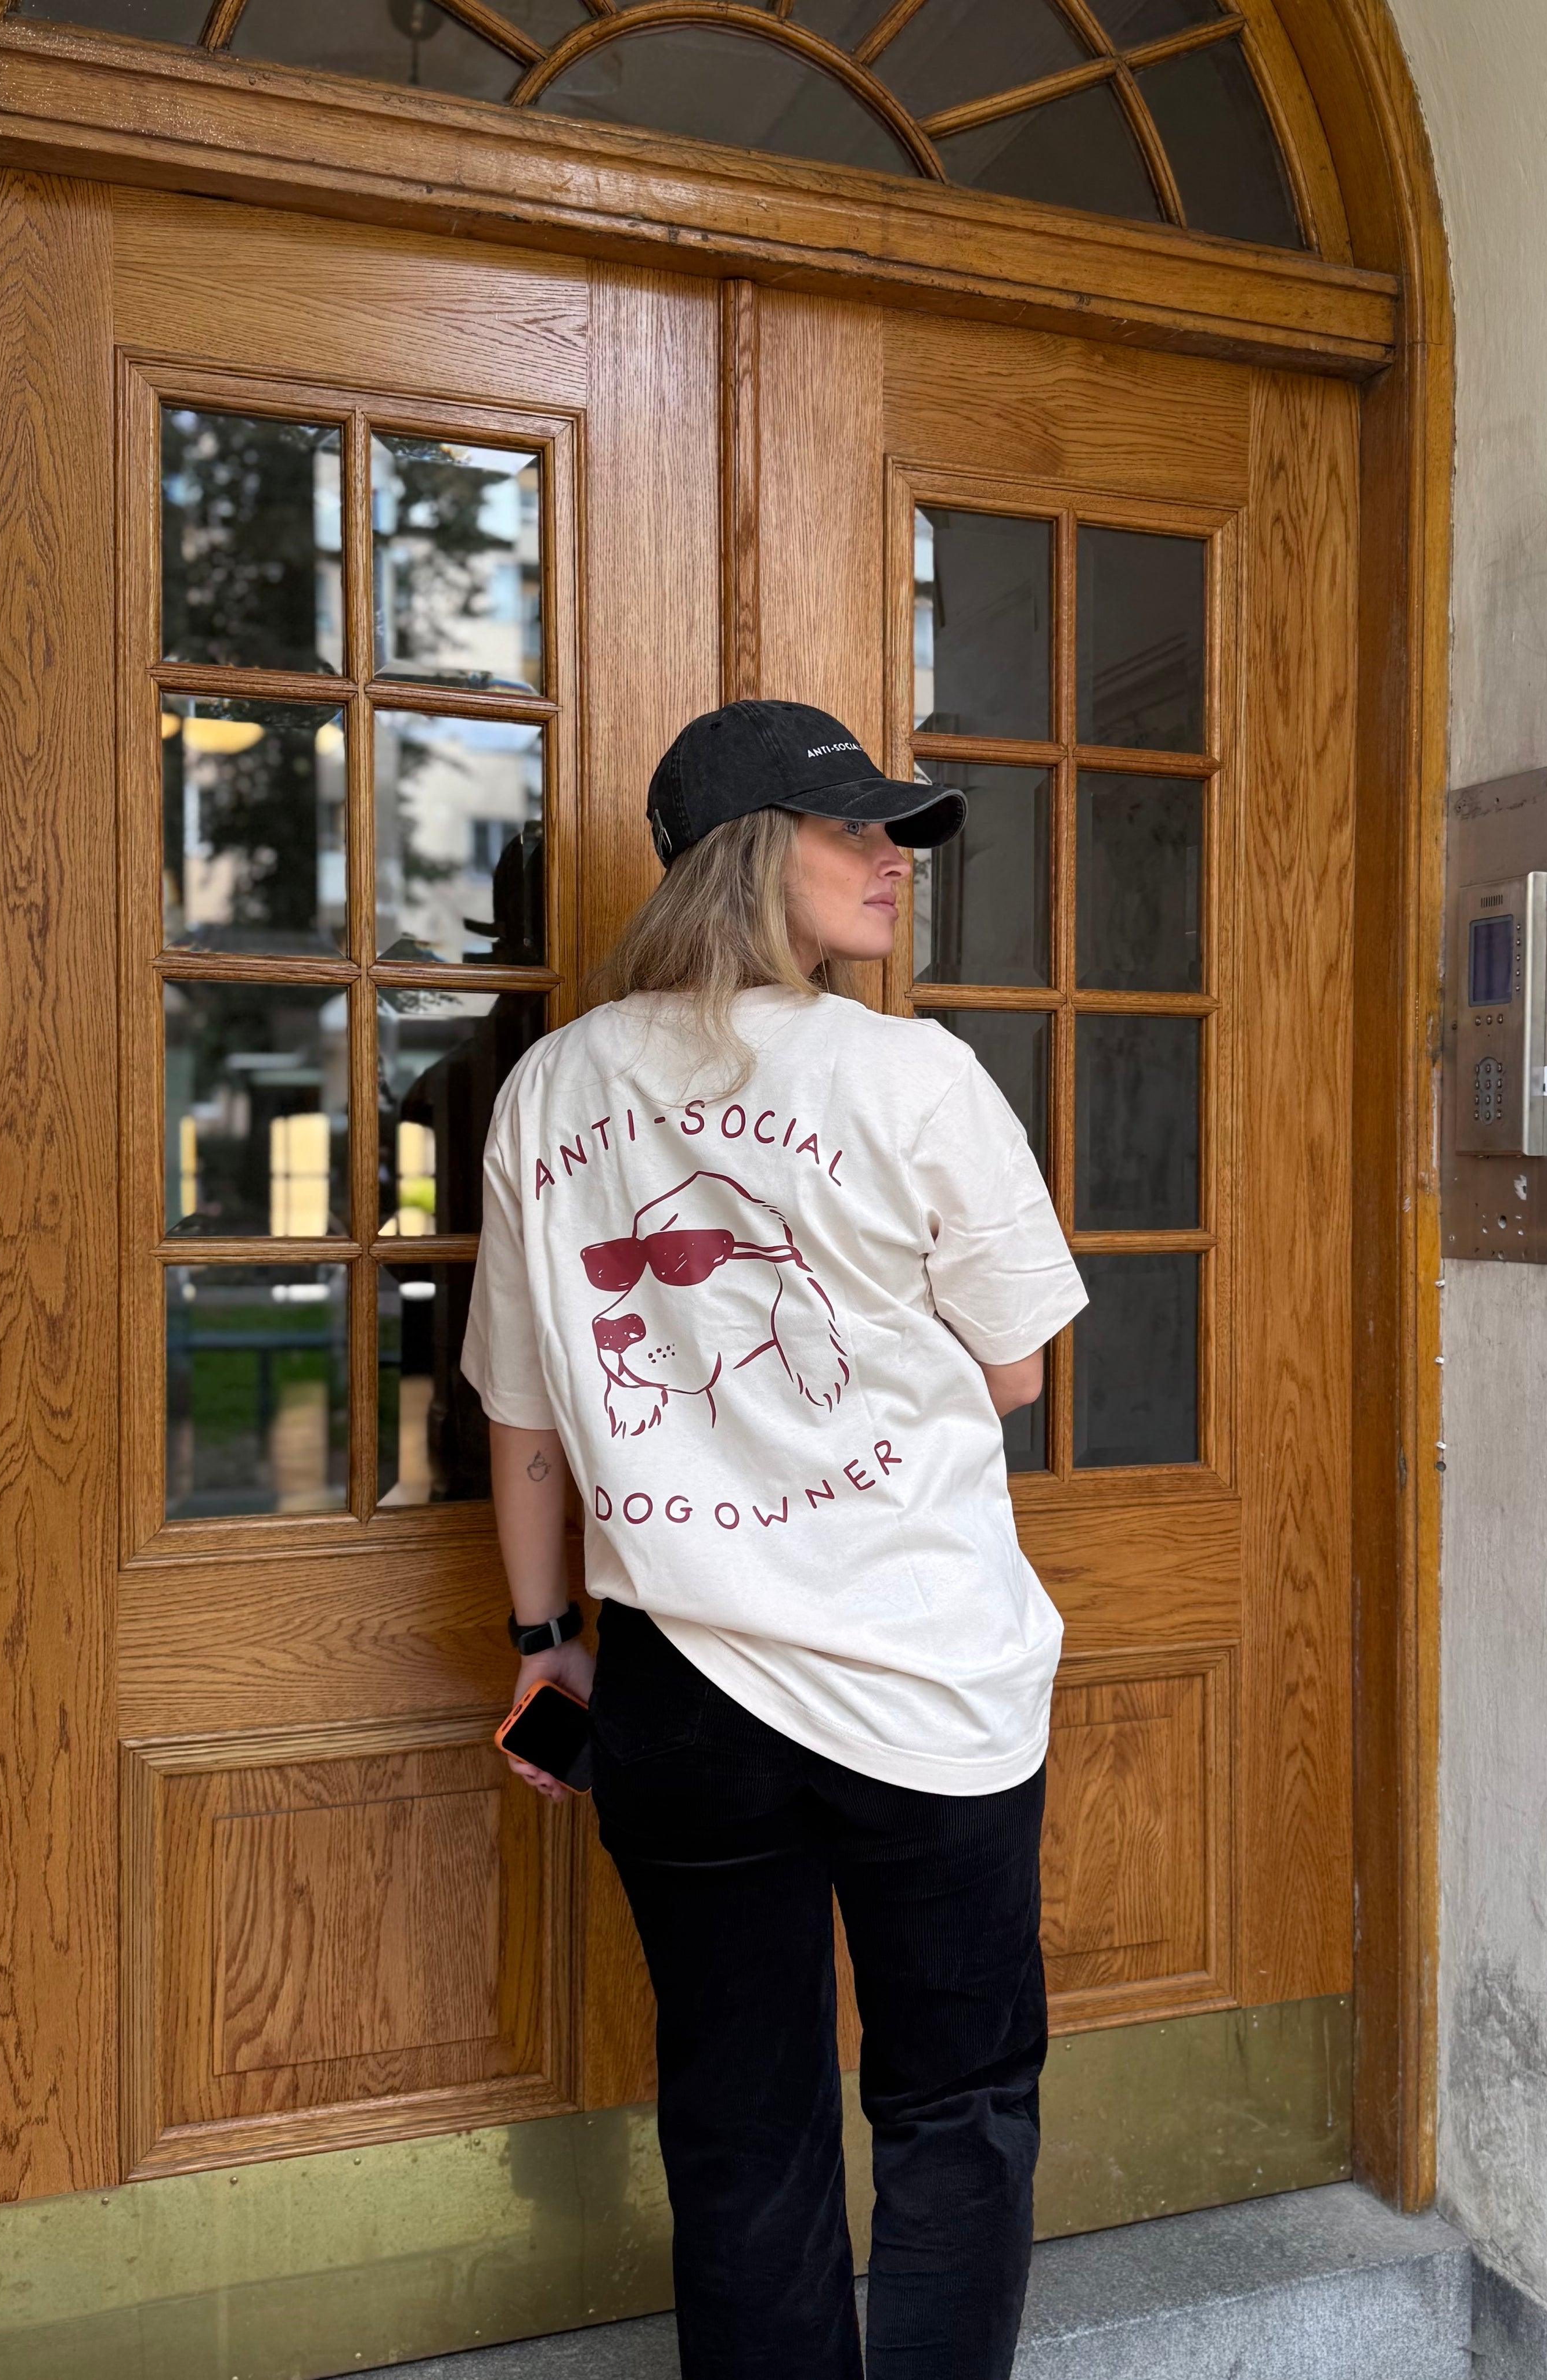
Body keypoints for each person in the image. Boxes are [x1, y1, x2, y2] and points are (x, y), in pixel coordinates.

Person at [460, 699, 1087, 2380]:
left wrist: (545, 1644)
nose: (895, 861)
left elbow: (527, 1415)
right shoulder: (909, 1075)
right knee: (955, 2106)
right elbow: (1015, 1374)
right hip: (922, 1681)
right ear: (746, 855)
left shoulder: (551, 1088)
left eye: (900, 831)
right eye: (853, 828)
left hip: (678, 1691)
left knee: (740, 2117)